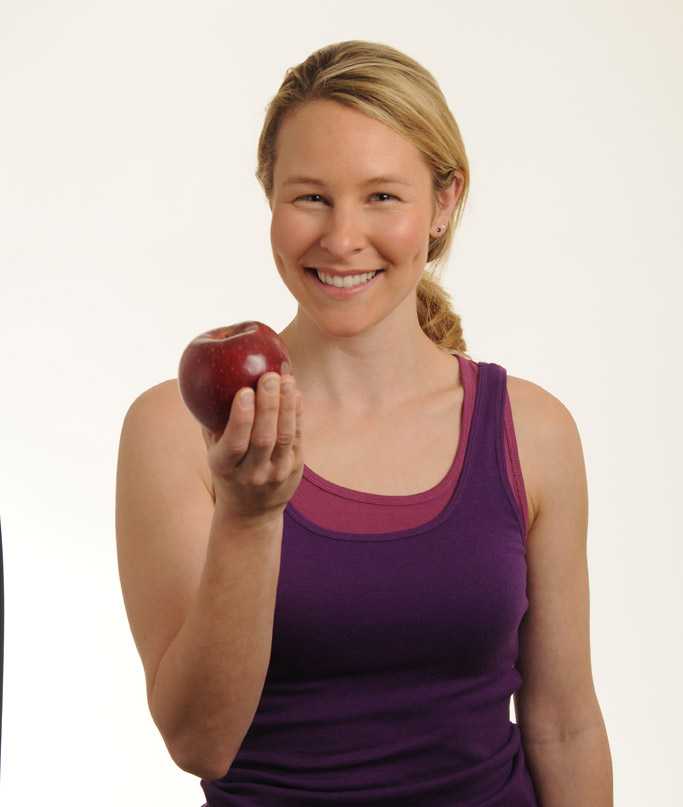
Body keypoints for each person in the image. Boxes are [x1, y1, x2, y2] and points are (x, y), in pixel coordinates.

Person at [115, 40, 612, 806]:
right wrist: (249, 516)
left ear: (443, 202)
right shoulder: (184, 428)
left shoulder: (531, 431)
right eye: (310, 197)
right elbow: (199, 741)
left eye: (382, 196)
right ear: (270, 198)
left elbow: (564, 724)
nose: (342, 237)